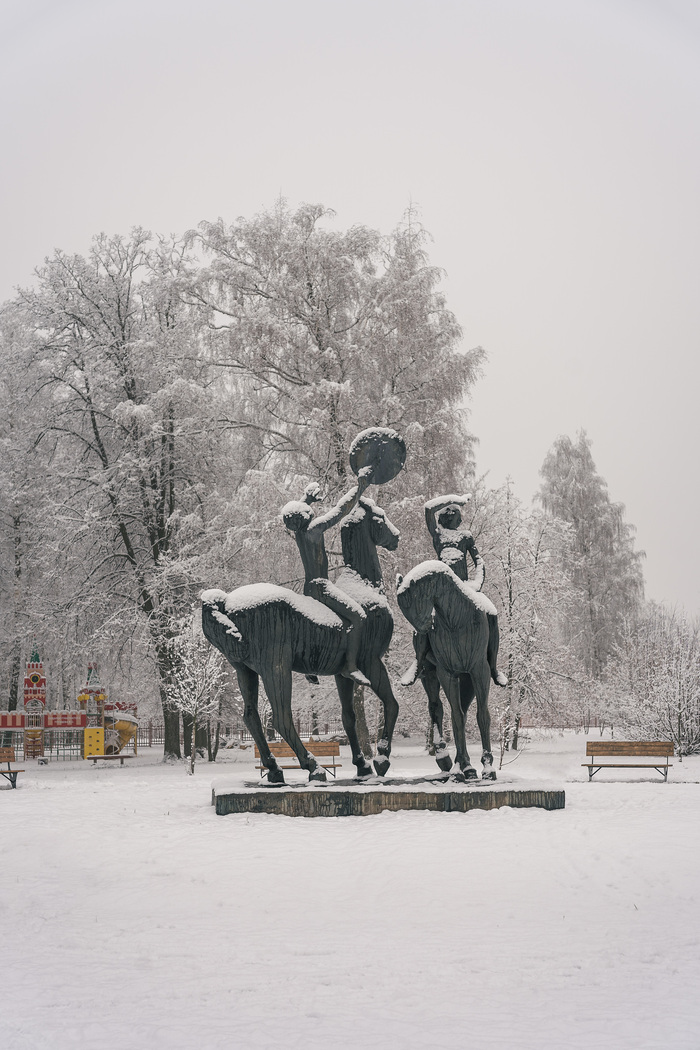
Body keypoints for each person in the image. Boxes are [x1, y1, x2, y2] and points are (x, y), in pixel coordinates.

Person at [401, 493, 507, 687]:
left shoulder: (466, 537)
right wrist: (454, 499)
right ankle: (419, 661)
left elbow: (479, 562)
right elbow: (428, 509)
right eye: (457, 514)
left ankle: (492, 667)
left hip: (466, 587)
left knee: (491, 613)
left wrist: (477, 584)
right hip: (441, 592)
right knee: (423, 621)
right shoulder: (438, 536)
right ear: (448, 515)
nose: (461, 518)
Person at [282, 468, 374, 686]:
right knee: (358, 617)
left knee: (317, 627)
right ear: (305, 517)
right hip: (322, 587)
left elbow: (296, 513)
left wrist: (307, 498)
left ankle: (309, 665)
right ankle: (349, 666)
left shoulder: (299, 533)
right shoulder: (314, 529)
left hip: (308, 588)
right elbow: (340, 511)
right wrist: (360, 488)